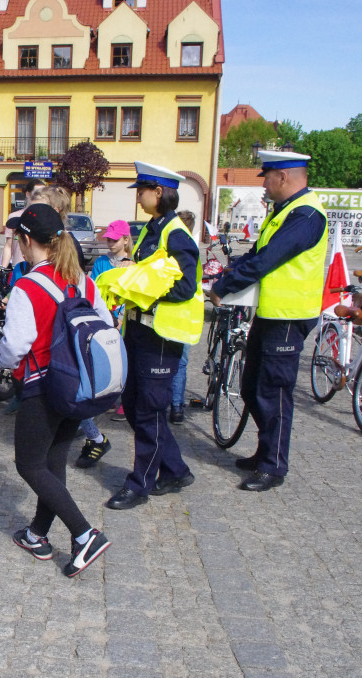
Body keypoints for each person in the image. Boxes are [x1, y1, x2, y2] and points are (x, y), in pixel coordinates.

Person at [0, 204, 111, 577]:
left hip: (42, 386)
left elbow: (15, 345)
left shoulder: (26, 286)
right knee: (53, 462)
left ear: (27, 241)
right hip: (77, 386)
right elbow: (106, 324)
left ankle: (83, 533)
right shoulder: (82, 280)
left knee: (29, 464)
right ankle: (36, 533)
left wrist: (0, 359)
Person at [209, 151, 328, 492]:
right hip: (272, 312)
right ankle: (265, 451)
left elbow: (270, 260)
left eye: (267, 176)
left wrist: (224, 286)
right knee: (251, 386)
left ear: (284, 177)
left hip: (289, 316)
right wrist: (231, 268)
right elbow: (259, 252)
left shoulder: (305, 215)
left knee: (273, 392)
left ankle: (274, 465)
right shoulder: (285, 212)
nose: (264, 182)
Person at [106, 163, 203, 510]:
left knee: (148, 410)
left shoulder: (176, 234)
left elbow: (186, 286)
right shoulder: (153, 228)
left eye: (142, 190)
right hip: (140, 331)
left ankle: (141, 483)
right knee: (134, 406)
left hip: (160, 336)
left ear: (158, 192)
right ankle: (175, 469)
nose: (139, 196)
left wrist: (139, 287)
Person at [76, 219, 135, 468]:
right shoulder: (101, 263)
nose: (109, 243)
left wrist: (120, 316)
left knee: (120, 358)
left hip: (120, 318)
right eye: (108, 239)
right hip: (102, 317)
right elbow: (95, 287)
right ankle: (104, 396)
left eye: (114, 239)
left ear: (125, 240)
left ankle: (119, 397)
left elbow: (130, 291)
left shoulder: (132, 265)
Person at [170, 210, 197, 424]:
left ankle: (166, 404)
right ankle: (177, 407)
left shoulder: (172, 248)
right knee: (180, 363)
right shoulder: (193, 250)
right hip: (188, 315)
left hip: (172, 312)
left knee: (168, 361)